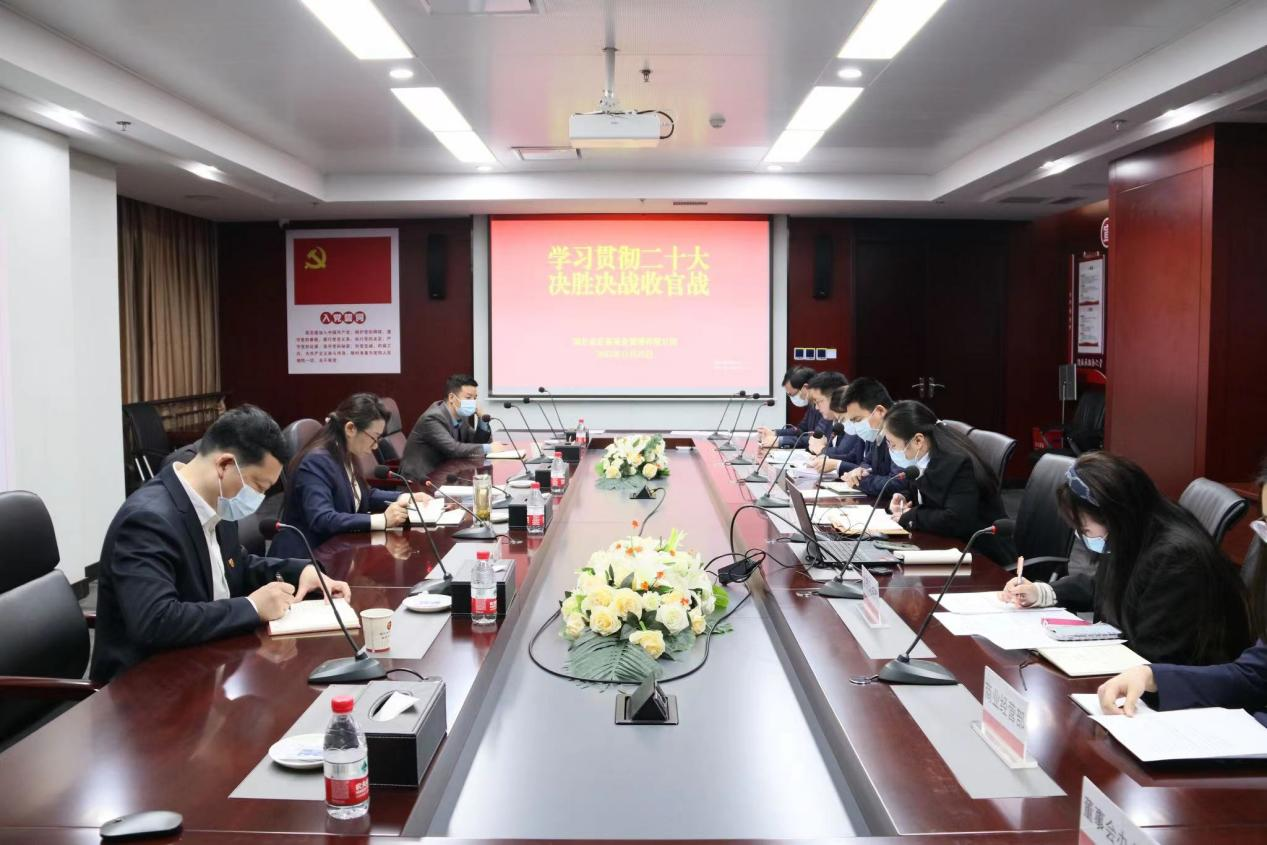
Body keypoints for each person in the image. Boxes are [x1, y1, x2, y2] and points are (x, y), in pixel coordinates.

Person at [91, 405, 351, 683]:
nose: (258, 499)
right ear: (225, 465)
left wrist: (300, 571)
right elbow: (155, 620)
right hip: (147, 683)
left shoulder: (217, 501)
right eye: (258, 486)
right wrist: (252, 607)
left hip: (204, 662)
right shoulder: (148, 520)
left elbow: (235, 565)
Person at [1001, 451, 1252, 666]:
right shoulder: (1136, 529)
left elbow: (1155, 652)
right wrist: (1042, 592)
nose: (1082, 537)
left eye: (1085, 530)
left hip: (1178, 683)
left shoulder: (1177, 559)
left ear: (1113, 515)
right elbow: (1105, 585)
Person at [270, 393, 432, 560]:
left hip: (337, 551)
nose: (375, 446)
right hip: (306, 559)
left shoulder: (345, 452)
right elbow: (322, 518)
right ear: (350, 429)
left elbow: (363, 496)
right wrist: (382, 520)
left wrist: (405, 497)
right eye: (374, 438)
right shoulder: (316, 461)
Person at [882, 399, 1016, 564]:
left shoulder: (957, 463)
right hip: (948, 544)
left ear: (918, 441)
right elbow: (924, 492)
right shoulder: (923, 457)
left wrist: (911, 516)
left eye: (893, 444)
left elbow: (956, 519)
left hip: (981, 555)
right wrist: (904, 498)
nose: (891, 450)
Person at [400, 374, 509, 481]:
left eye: (475, 398)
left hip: (445, 474)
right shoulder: (433, 418)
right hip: (420, 479)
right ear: (451, 397)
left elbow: (478, 442)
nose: (473, 403)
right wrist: (489, 448)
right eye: (468, 398)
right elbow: (453, 449)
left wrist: (482, 418)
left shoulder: (461, 416)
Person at [836, 377, 904, 503]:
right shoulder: (876, 428)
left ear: (879, 411)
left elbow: (897, 482)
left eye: (857, 419)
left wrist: (860, 481)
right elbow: (867, 461)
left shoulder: (902, 427)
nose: (856, 426)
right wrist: (860, 471)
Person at [758, 367, 827, 448]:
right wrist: (774, 433)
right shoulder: (812, 404)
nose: (791, 398)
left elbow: (818, 439)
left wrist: (779, 441)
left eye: (792, 394)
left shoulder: (826, 406)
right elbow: (800, 430)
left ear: (806, 387)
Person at [806, 383, 865, 477]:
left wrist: (833, 462)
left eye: (842, 419)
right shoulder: (827, 419)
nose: (816, 407)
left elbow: (844, 451)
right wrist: (825, 458)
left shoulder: (866, 430)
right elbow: (852, 457)